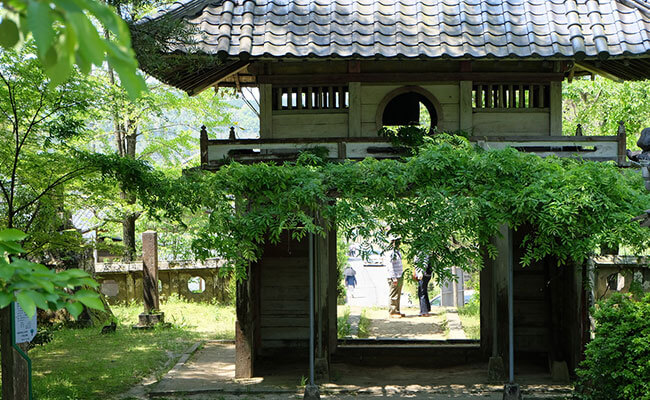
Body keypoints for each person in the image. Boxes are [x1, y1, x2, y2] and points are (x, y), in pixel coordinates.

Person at [386, 237, 404, 318]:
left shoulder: (397, 252)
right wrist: (394, 278)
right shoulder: (390, 252)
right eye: (396, 242)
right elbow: (390, 266)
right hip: (394, 277)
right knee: (393, 294)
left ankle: (397, 310)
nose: (399, 244)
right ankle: (392, 311)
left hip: (399, 275)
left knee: (398, 294)